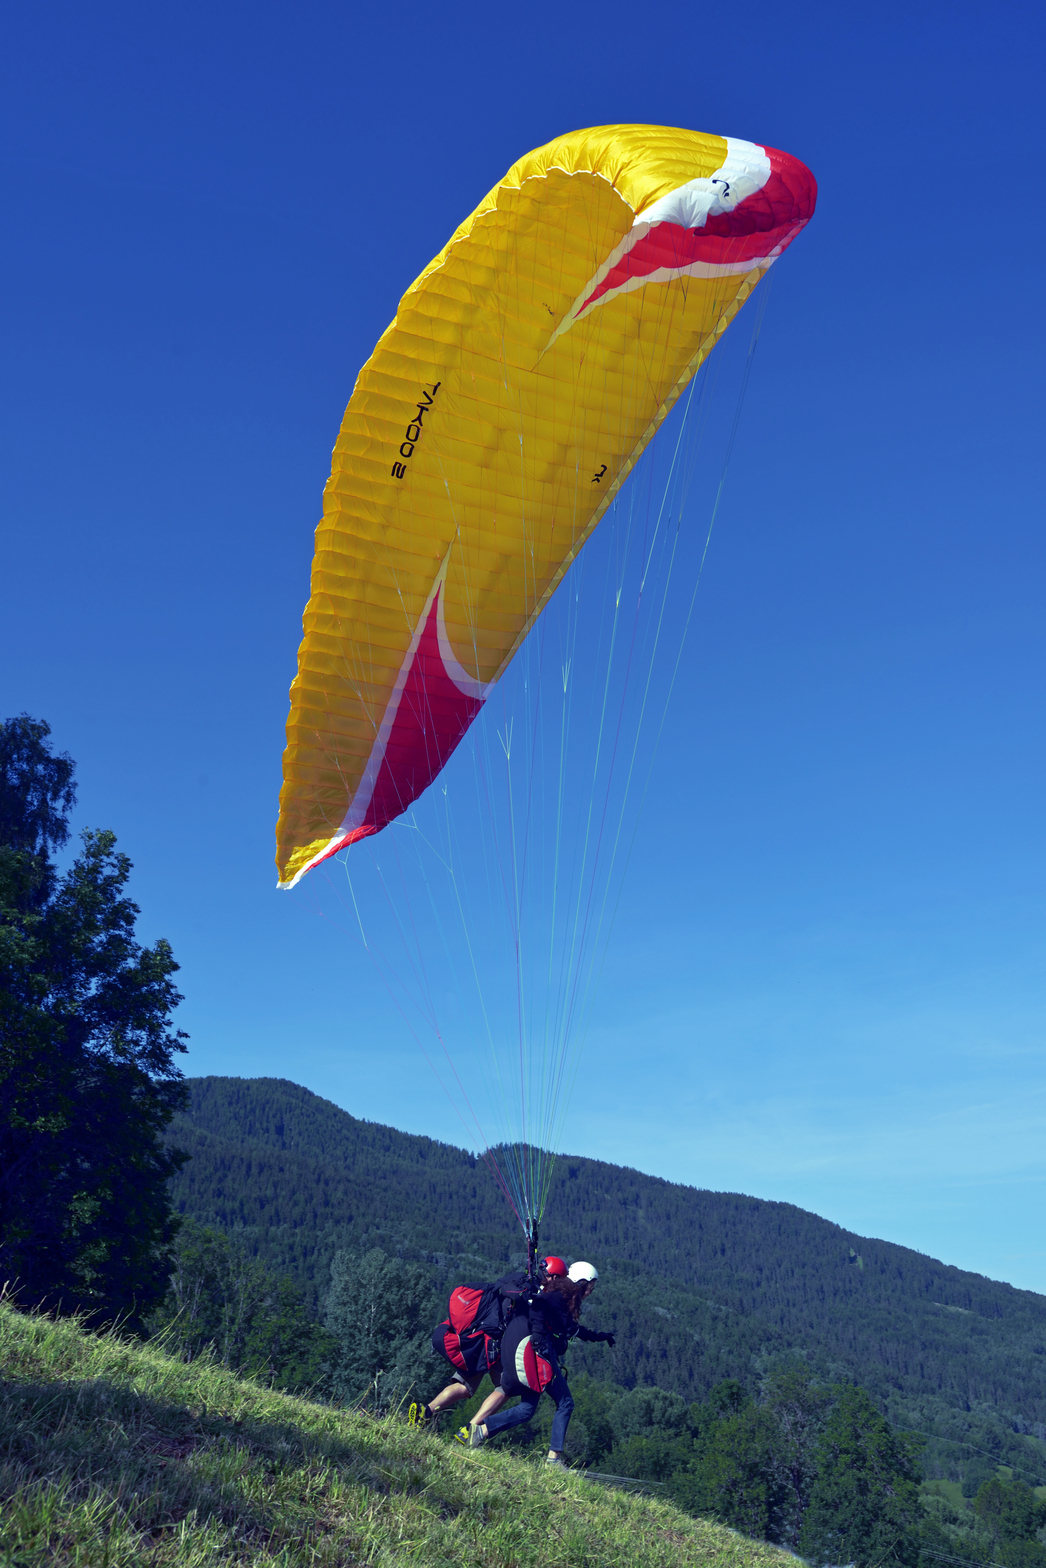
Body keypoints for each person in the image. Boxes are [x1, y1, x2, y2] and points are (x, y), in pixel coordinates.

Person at [455, 1263, 614, 1466]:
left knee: (526, 1409)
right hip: (538, 1352)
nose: (591, 1291)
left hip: (525, 1349)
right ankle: (553, 1460)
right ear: (582, 1282)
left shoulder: (564, 1297)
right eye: (591, 1286)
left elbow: (571, 1328)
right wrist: (539, 1336)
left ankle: (479, 1432)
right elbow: (538, 1307)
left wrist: (598, 1337)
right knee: (565, 1403)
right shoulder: (560, 1297)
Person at [409, 1256, 568, 1429]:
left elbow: (503, 1287)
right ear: (553, 1277)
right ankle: (471, 1429)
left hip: (480, 1341)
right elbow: (508, 1291)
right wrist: (527, 1295)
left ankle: (425, 1413)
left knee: (464, 1385)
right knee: (504, 1388)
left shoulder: (522, 1280)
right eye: (560, 1281)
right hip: (496, 1346)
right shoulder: (529, 1287)